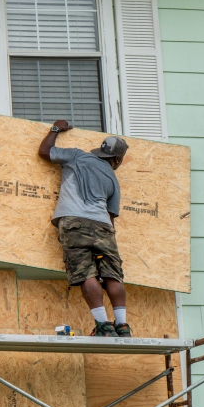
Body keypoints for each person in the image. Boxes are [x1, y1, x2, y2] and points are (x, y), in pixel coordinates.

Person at [38, 119, 131, 337]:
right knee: (112, 275)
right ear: (117, 159)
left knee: (86, 274)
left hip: (73, 223)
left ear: (101, 151)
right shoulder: (113, 179)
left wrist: (55, 129)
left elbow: (44, 151)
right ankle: (122, 326)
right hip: (102, 226)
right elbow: (111, 215)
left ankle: (104, 326)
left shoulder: (77, 155)